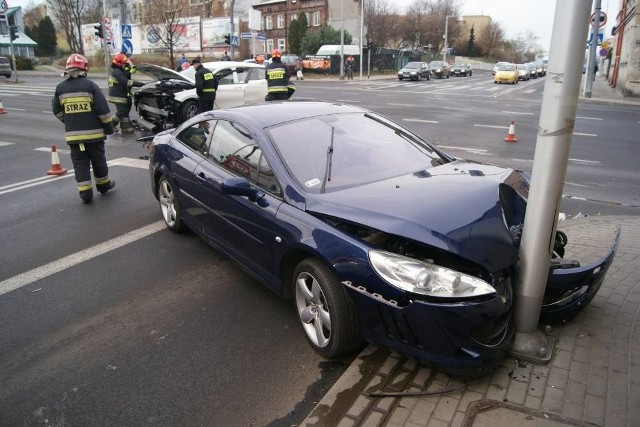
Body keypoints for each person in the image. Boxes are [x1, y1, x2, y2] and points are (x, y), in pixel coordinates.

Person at [52, 53, 116, 204]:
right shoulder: (90, 86)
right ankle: (103, 186)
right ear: (84, 69)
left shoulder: (60, 88)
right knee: (98, 161)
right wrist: (108, 128)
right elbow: (103, 111)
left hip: (74, 138)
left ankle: (85, 194)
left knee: (80, 165)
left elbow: (56, 110)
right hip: (94, 136)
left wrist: (68, 121)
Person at [108, 52, 144, 134]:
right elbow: (126, 82)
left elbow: (125, 75)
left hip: (120, 94)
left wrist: (131, 68)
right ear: (120, 63)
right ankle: (110, 125)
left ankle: (125, 128)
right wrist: (139, 84)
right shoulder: (116, 72)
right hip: (117, 96)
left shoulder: (118, 70)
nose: (125, 64)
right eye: (124, 63)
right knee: (122, 111)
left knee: (125, 110)